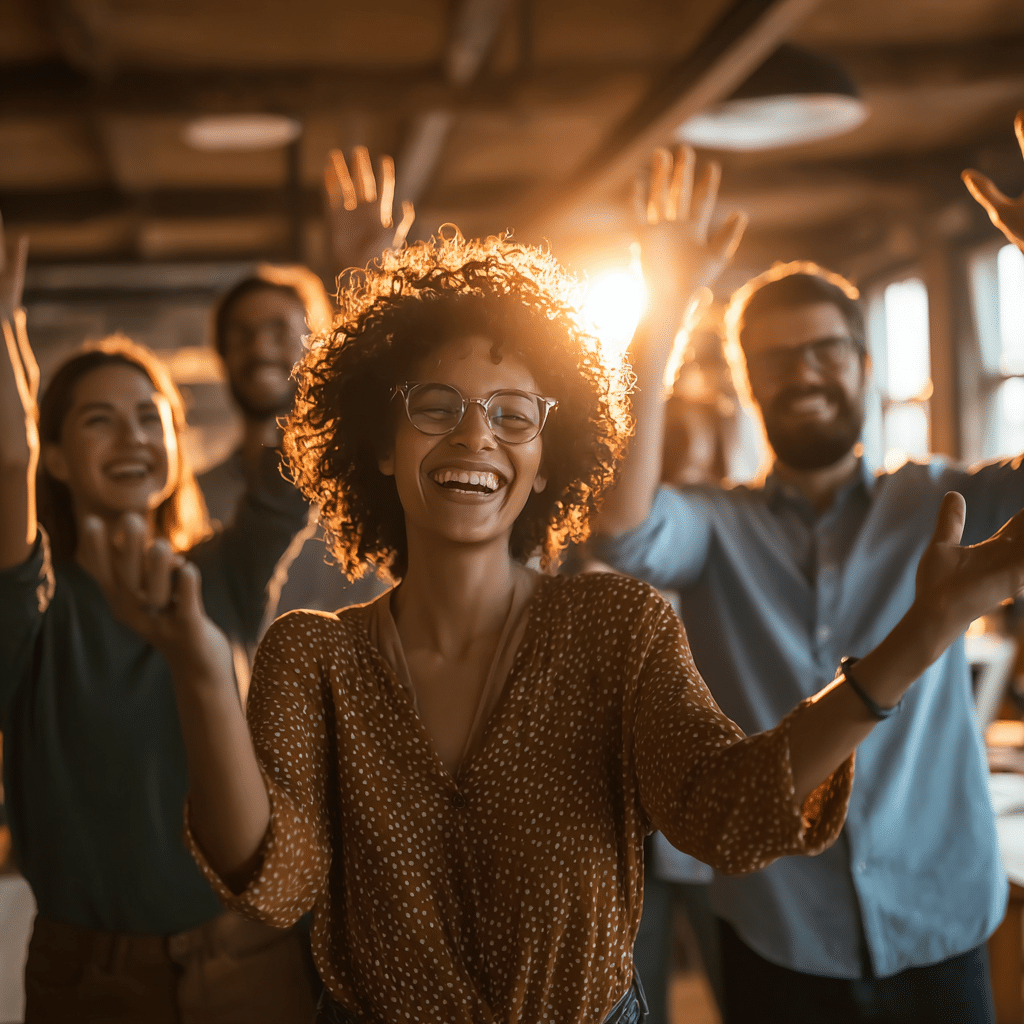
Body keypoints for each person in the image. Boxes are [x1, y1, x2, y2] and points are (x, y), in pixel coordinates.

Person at [78, 221, 1024, 1024]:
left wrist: (920, 638)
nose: (475, 435)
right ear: (375, 436)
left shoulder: (617, 626)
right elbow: (278, 882)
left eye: (513, 414)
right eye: (436, 406)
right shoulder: (313, 654)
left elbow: (727, 818)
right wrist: (203, 670)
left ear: (547, 454)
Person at [591, 123, 1024, 1023]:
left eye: (827, 349)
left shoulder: (943, 500)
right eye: (776, 359)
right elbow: (622, 522)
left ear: (865, 366)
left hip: (940, 923)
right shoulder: (715, 527)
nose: (805, 373)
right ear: (750, 384)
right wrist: (664, 308)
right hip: (777, 929)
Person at [0, 228, 317, 1023]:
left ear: (175, 443)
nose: (134, 437)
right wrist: (3, 326)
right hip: (92, 980)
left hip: (248, 961)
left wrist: (343, 289)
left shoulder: (225, 571)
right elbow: (7, 461)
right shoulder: (33, 607)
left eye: (150, 417)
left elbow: (304, 438)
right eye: (100, 421)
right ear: (59, 457)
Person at [199, 148, 412, 634]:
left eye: (280, 331)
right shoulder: (193, 497)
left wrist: (368, 283)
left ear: (318, 344)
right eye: (241, 335)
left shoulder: (370, 476)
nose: (260, 347)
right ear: (220, 354)